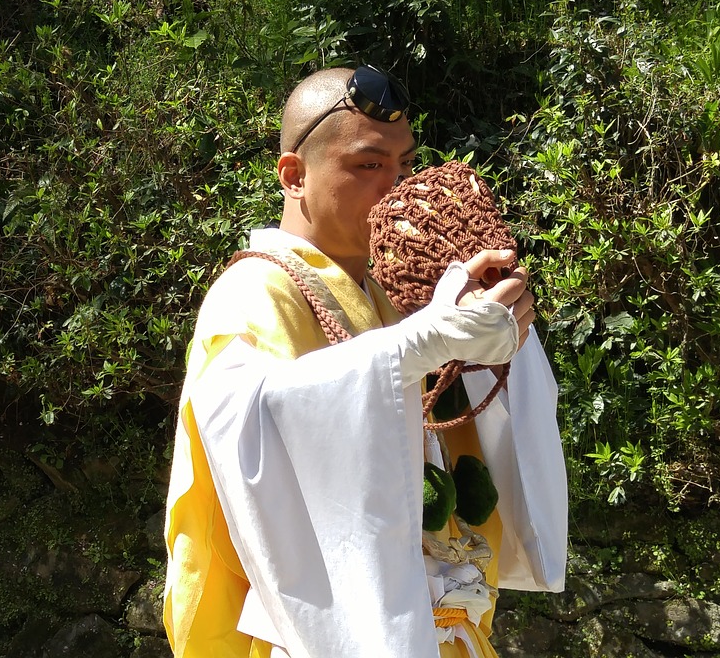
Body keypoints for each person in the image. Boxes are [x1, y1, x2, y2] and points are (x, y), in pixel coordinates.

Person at [162, 66, 568, 658]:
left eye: (404, 166)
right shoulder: (252, 292)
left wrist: (497, 334)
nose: (396, 190)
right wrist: (419, 346)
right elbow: (254, 434)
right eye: (369, 165)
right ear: (294, 175)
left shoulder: (393, 298)